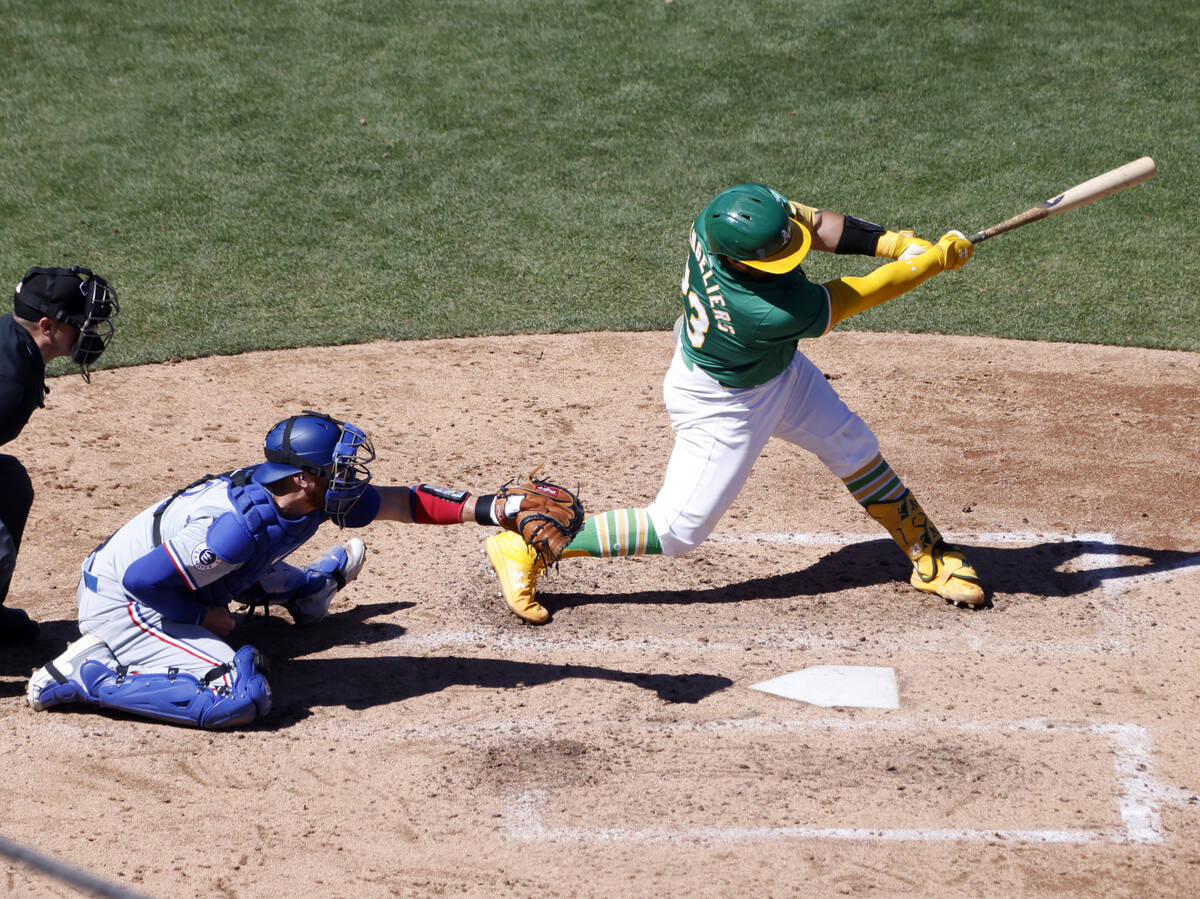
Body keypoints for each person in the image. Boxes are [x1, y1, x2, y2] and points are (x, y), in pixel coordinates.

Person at [486, 182, 983, 625]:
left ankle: (928, 552)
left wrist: (897, 243)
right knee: (678, 530)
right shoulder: (767, 311)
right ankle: (527, 546)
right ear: (741, 262)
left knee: (852, 444)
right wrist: (931, 260)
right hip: (725, 405)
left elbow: (814, 222)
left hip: (774, 371)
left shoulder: (723, 219)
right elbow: (865, 292)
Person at [27, 410, 534, 728]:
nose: (349, 476)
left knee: (249, 560)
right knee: (240, 697)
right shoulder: (233, 528)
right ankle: (88, 676)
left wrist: (494, 508)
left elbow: (403, 502)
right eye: (336, 469)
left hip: (180, 573)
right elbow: (143, 580)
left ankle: (306, 591)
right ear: (301, 477)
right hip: (128, 601)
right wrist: (207, 621)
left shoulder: (305, 497)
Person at [1, 266, 119, 646]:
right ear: (48, 326)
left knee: (8, 484)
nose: (91, 331)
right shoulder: (11, 384)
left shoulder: (12, 343)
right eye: (82, 322)